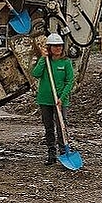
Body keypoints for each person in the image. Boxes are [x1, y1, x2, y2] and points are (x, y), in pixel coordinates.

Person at [31, 33, 74, 166]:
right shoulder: (45, 62)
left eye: (60, 46)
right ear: (49, 47)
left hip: (60, 101)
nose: (58, 48)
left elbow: (70, 81)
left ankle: (63, 152)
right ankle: (51, 153)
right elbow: (35, 74)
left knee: (61, 126)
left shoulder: (66, 62)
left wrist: (62, 98)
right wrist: (43, 59)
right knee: (49, 127)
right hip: (45, 100)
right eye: (55, 46)